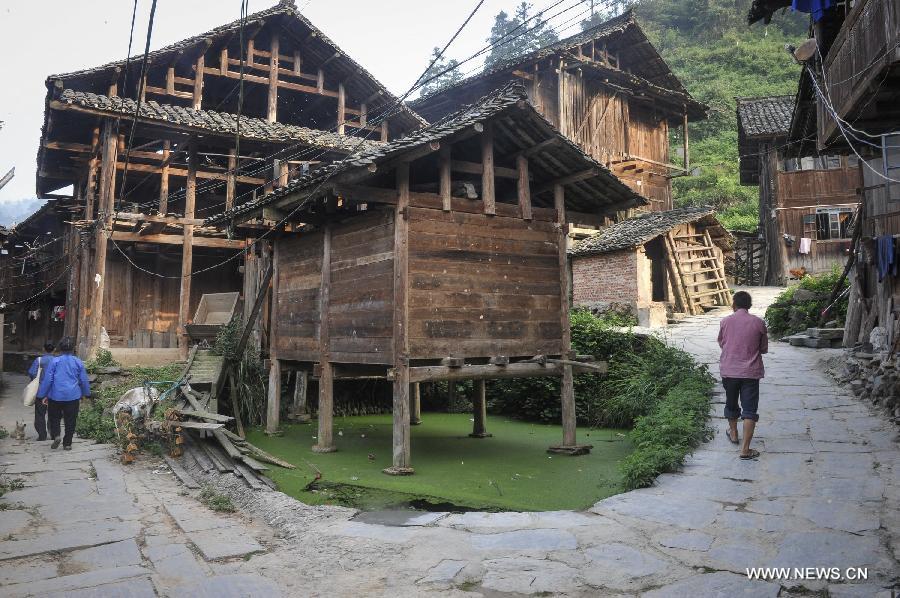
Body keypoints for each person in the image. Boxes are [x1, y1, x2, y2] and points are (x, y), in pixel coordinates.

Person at [717, 291, 768, 460]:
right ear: (750, 306)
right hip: (750, 373)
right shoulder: (759, 323)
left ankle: (733, 433)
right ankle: (745, 450)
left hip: (729, 371)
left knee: (731, 404)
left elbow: (722, 343)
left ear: (734, 305)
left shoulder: (725, 322)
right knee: (749, 410)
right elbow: (763, 349)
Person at [36, 336, 91, 450]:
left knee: (54, 417)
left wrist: (42, 395)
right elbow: (83, 380)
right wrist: (86, 393)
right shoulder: (78, 362)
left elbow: (48, 380)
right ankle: (67, 444)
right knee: (70, 420)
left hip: (55, 396)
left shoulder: (54, 361)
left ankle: (56, 435)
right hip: (73, 396)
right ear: (73, 348)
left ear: (60, 348)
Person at [27, 341, 56, 441]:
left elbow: (31, 373)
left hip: (41, 392)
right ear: (54, 349)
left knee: (40, 414)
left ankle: (42, 435)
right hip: (54, 392)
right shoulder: (57, 361)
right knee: (53, 413)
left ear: (43, 349)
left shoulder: (39, 360)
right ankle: (53, 434)